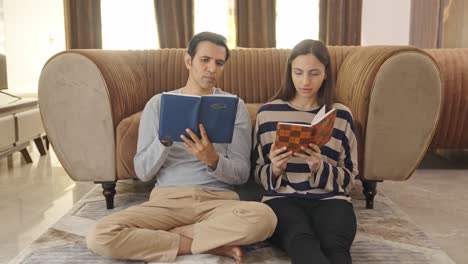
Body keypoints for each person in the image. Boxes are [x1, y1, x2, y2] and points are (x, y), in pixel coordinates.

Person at [86, 31, 277, 263]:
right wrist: (163, 142)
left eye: (219, 63)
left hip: (218, 201)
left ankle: (172, 237)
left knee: (265, 218)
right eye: (204, 60)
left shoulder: (235, 107)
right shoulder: (158, 104)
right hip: (168, 200)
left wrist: (212, 160)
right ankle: (210, 244)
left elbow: (240, 174)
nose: (212, 69)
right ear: (189, 61)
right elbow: (143, 172)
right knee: (100, 235)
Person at [253, 39, 358, 264]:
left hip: (331, 198)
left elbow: (350, 178)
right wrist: (275, 169)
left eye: (314, 73)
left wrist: (320, 167)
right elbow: (257, 174)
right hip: (282, 199)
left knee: (336, 248)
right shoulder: (267, 114)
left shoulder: (341, 115)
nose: (305, 81)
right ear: (289, 72)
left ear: (326, 74)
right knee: (302, 242)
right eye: (298, 72)